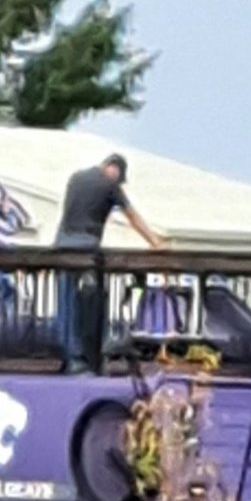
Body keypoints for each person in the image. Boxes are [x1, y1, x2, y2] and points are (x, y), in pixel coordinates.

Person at [54, 154, 165, 372]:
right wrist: (155, 242)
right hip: (86, 247)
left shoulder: (76, 177)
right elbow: (133, 217)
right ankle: (86, 358)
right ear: (114, 170)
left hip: (62, 244)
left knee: (65, 302)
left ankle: (68, 354)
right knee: (89, 302)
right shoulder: (110, 185)